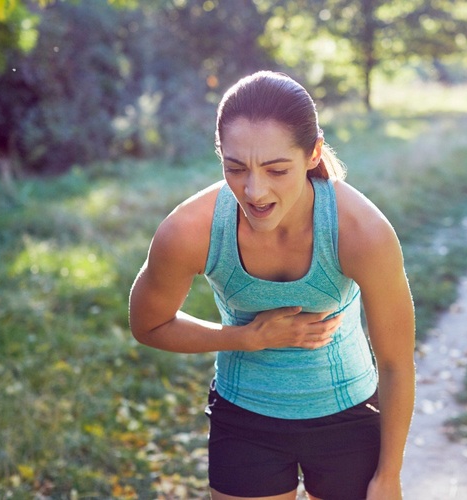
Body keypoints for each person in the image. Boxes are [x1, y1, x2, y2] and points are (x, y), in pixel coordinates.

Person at [128, 71, 416, 500]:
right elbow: (148, 325)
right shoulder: (189, 231)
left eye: (277, 169)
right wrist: (246, 338)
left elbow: (395, 363)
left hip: (350, 419)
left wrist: (388, 476)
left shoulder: (361, 232)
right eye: (235, 167)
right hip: (244, 420)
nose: (254, 190)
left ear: (313, 152)